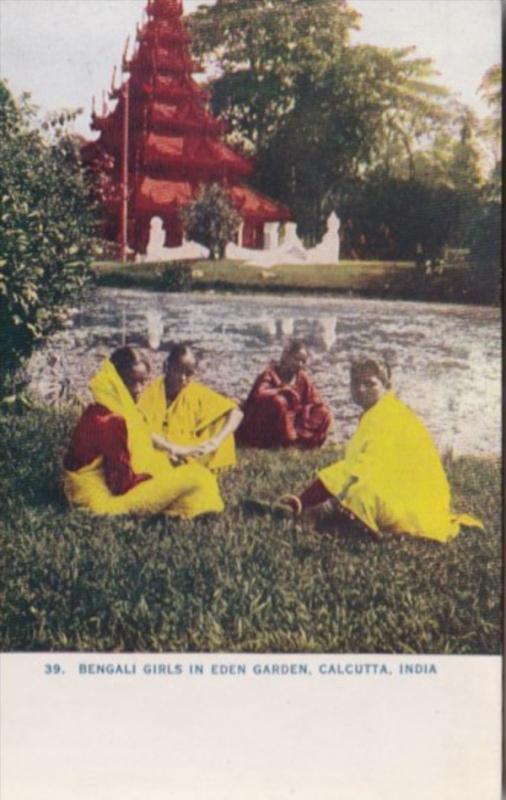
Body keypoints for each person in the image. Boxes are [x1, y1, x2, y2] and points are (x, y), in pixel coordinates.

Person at [275, 356, 482, 542]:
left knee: (360, 492)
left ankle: (330, 523)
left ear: (387, 386)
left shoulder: (389, 415)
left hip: (417, 501)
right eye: (356, 383)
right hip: (399, 486)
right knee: (339, 471)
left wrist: (330, 506)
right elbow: (358, 465)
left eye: (370, 384)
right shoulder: (376, 411)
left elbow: (368, 468)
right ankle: (296, 505)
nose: (361, 389)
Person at [64, 346, 224, 517]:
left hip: (82, 494)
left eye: (142, 382)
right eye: (131, 382)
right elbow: (120, 485)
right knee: (198, 476)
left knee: (168, 467)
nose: (139, 390)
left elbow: (140, 440)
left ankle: (186, 511)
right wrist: (155, 479)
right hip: (100, 505)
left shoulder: (103, 408)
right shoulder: (112, 420)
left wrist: (167, 462)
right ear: (116, 379)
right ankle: (196, 512)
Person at [138, 344, 243, 471]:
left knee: (222, 425)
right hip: (159, 445)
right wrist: (172, 448)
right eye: (178, 370)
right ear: (168, 367)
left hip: (189, 446)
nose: (183, 378)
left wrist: (216, 442)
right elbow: (139, 427)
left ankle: (188, 463)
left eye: (188, 373)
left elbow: (236, 413)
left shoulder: (194, 391)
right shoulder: (151, 391)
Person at [237, 339, 332, 449]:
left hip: (293, 421)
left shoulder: (302, 377)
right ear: (286, 356)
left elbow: (315, 401)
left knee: (324, 413)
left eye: (303, 361)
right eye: (296, 359)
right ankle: (285, 443)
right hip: (265, 424)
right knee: (279, 401)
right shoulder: (270, 374)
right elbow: (259, 394)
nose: (300, 364)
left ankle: (301, 442)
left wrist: (305, 409)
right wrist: (281, 390)